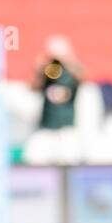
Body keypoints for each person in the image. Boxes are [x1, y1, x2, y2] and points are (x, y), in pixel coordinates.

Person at [25, 36, 85, 166]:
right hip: (47, 126)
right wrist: (42, 64)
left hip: (67, 126)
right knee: (35, 159)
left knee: (70, 161)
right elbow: (33, 87)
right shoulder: (49, 72)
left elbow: (82, 75)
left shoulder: (70, 72)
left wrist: (66, 57)